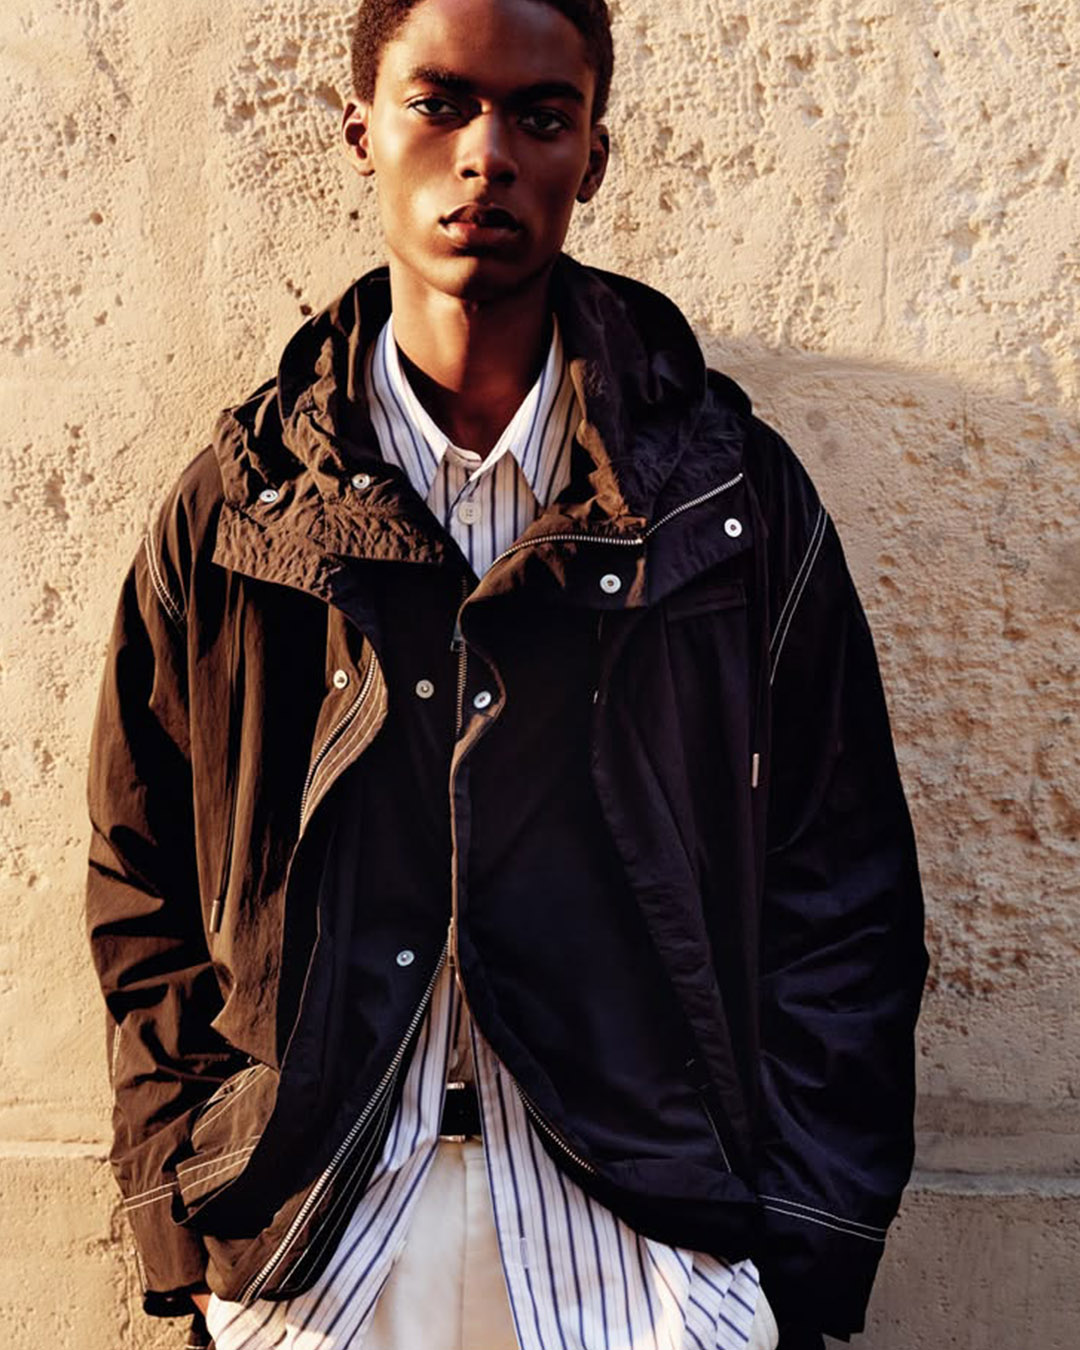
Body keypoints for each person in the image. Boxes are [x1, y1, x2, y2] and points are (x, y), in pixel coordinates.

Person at [85, 0, 928, 1345]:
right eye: (439, 104)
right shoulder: (240, 509)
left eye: (541, 116)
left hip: (651, 1259)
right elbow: (142, 884)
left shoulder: (727, 503)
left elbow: (848, 888)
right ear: (361, 131)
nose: (486, 155)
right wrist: (187, 1216)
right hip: (316, 1251)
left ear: (593, 154)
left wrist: (798, 1238)